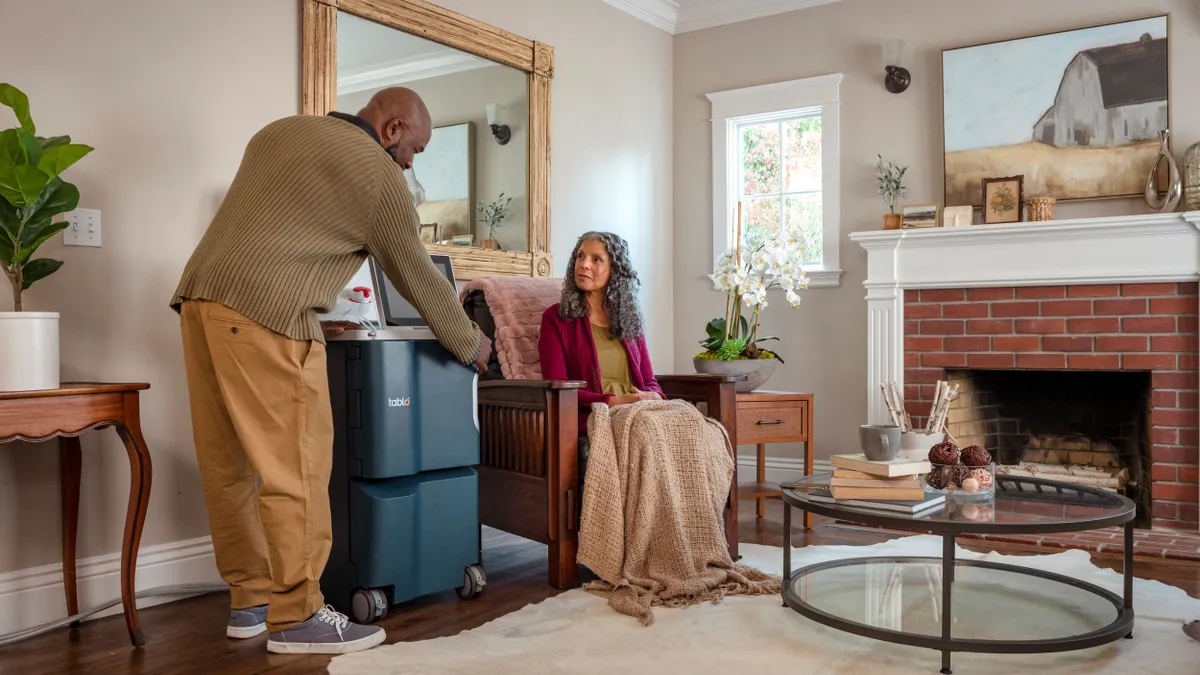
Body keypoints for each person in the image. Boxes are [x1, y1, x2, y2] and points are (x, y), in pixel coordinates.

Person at [170, 87, 490, 655]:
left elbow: (284, 227)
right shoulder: (379, 177)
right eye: (414, 149)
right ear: (391, 130)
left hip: (201, 299)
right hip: (268, 314)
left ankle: (251, 600)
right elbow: (414, 272)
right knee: (296, 468)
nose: (412, 163)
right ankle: (298, 615)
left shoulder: (281, 130)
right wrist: (470, 341)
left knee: (228, 463)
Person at [537, 231, 662, 477]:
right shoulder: (555, 319)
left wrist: (654, 397)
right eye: (580, 256)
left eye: (596, 259)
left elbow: (650, 381)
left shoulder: (629, 320)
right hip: (597, 414)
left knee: (693, 423)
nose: (584, 264)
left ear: (614, 270)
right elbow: (559, 388)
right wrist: (614, 401)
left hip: (638, 409)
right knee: (647, 430)